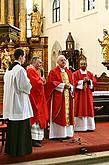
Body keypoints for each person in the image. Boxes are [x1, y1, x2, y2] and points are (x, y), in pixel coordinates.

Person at [3, 48, 33, 156]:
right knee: (21, 126)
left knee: (13, 127)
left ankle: (11, 149)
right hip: (19, 103)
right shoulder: (20, 69)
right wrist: (30, 85)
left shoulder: (9, 70)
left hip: (11, 103)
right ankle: (21, 150)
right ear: (20, 57)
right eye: (24, 56)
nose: (25, 59)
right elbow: (24, 86)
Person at [45, 55, 74, 140]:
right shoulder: (53, 72)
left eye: (65, 60)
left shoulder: (69, 72)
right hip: (58, 97)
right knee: (58, 114)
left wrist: (70, 87)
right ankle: (57, 134)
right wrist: (62, 85)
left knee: (67, 114)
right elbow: (51, 83)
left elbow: (72, 83)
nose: (64, 62)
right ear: (57, 62)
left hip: (67, 95)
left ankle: (67, 133)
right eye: (62, 60)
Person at [26, 56, 48, 147]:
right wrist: (41, 81)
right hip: (34, 98)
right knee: (36, 117)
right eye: (39, 62)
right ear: (33, 62)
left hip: (39, 98)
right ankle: (34, 139)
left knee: (40, 116)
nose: (40, 64)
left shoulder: (35, 71)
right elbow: (35, 83)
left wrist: (42, 80)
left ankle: (38, 138)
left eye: (41, 62)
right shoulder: (30, 70)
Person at [73, 58, 96, 131]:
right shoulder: (75, 73)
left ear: (87, 65)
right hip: (79, 95)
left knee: (88, 108)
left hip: (88, 95)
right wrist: (82, 81)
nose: (83, 65)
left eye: (85, 64)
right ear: (79, 65)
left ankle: (89, 127)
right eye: (82, 64)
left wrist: (89, 81)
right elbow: (74, 83)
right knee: (79, 108)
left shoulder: (90, 73)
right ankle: (79, 127)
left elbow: (94, 83)